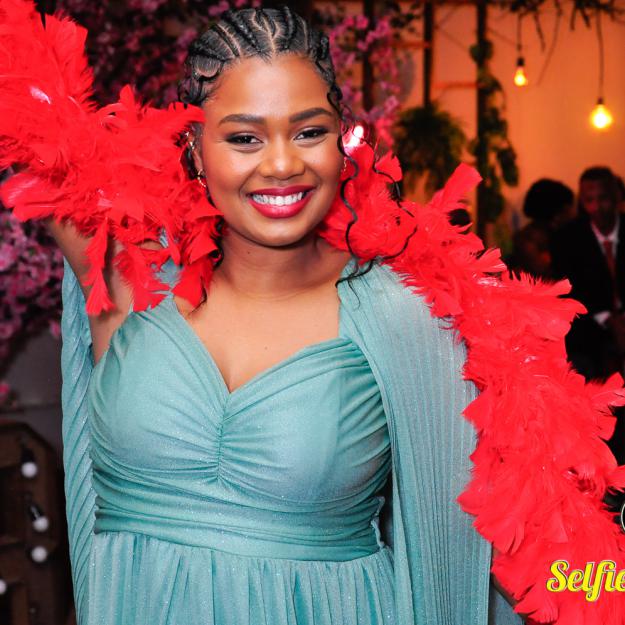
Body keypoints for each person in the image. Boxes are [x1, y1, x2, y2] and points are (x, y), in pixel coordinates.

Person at [2, 3, 625, 625]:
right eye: (244, 137)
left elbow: (528, 541)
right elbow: (20, 72)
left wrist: (601, 587)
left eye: (308, 132)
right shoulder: (122, 271)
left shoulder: (410, 316)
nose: (282, 165)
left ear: (342, 138)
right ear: (193, 147)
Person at [509, 178, 575, 279]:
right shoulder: (528, 241)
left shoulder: (528, 237)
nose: (572, 213)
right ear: (557, 213)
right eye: (567, 209)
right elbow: (545, 275)